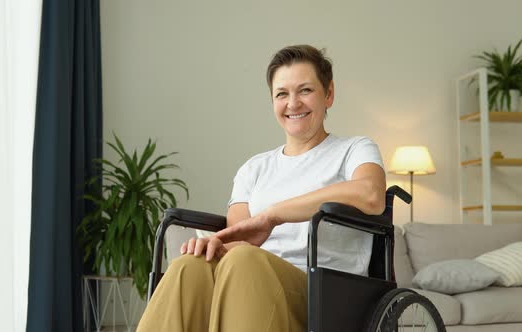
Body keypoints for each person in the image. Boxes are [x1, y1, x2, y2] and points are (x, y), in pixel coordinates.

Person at [136, 44, 386, 332]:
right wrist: (214, 245)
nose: (293, 103)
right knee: (188, 266)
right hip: (248, 280)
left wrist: (274, 215)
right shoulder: (254, 168)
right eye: (282, 94)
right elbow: (239, 240)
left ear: (328, 94)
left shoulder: (354, 149)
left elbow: (370, 194)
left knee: (244, 261)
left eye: (305, 90)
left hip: (324, 293)